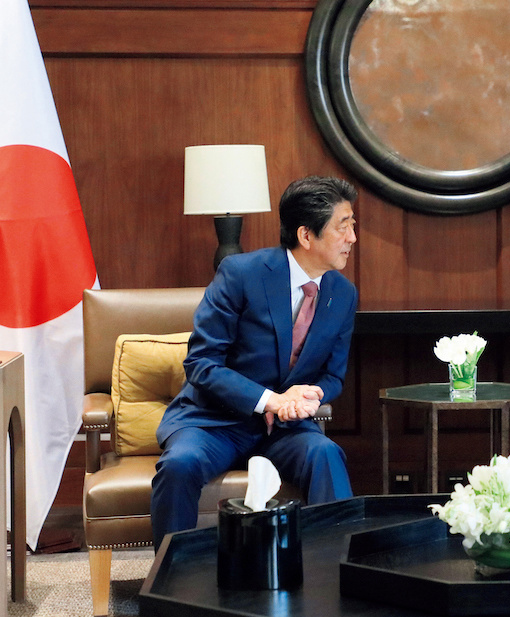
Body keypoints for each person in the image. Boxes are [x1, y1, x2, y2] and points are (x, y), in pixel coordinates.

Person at [150, 176, 358, 549]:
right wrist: (270, 400)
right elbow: (202, 363)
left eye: (352, 225)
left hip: (284, 430)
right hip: (214, 422)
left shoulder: (342, 294)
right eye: (343, 227)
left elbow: (333, 376)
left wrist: (309, 395)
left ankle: (335, 567)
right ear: (306, 235)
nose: (352, 238)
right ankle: (171, 574)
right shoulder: (241, 274)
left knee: (325, 453)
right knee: (179, 464)